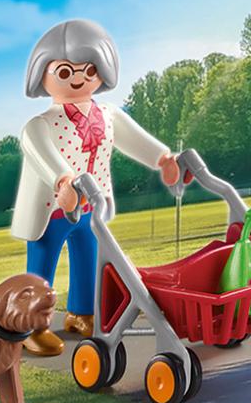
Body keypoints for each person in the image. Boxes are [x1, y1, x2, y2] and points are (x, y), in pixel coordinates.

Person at [12, 19, 179, 357]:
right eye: (64, 72)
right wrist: (63, 180)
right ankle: (33, 325)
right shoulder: (40, 124)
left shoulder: (107, 115)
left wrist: (162, 158)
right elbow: (43, 154)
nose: (79, 78)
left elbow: (134, 139)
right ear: (41, 74)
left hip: (91, 206)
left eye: (89, 70)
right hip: (52, 209)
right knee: (41, 268)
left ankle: (81, 313)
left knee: (89, 259)